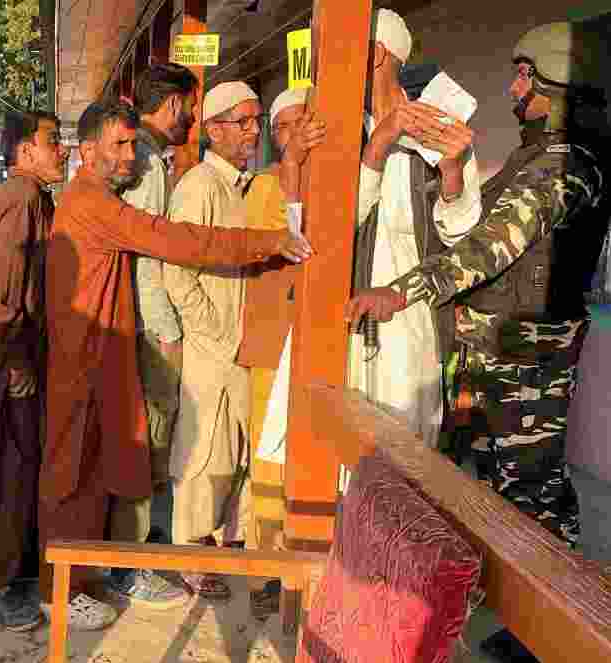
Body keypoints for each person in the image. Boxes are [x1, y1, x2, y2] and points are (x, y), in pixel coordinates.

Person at [345, 21, 609, 662]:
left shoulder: (568, 163)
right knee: (505, 494)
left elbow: (489, 248)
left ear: (555, 83)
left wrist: (403, 291)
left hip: (529, 361)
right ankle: (527, 627)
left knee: (535, 498)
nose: (512, 85)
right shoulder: (535, 153)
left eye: (524, 74)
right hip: (501, 356)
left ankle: (558, 634)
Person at [41, 100, 313, 630]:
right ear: (85, 151)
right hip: (82, 360)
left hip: (103, 356)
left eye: (130, 144)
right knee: (72, 471)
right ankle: (62, 589)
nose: (131, 157)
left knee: (100, 470)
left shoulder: (97, 196)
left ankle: (92, 575)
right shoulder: (91, 200)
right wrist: (269, 242)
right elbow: (179, 240)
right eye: (119, 146)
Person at [164, 82, 326, 603]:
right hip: (214, 346)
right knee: (204, 454)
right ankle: (190, 557)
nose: (254, 131)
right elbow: (178, 273)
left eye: (258, 121)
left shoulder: (247, 184)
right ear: (214, 129)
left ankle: (223, 545)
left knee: (235, 455)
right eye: (245, 122)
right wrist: (212, 331)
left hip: (241, 344)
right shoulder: (199, 186)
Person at [346, 8, 480, 448]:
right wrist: (379, 141)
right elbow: (337, 224)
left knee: (405, 449)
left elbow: (460, 234)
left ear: (377, 53)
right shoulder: (343, 132)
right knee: (346, 450)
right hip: (345, 316)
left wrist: (453, 173)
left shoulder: (439, 125)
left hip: (412, 318)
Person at [109, 62, 197, 608]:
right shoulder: (144, 161)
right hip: (146, 330)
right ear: (170, 107)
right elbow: (146, 260)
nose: (192, 118)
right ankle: (127, 563)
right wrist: (166, 333)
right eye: (189, 107)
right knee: (145, 444)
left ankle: (140, 547)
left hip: (137, 326)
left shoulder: (140, 155)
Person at [0, 110, 68, 631]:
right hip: (16, 357)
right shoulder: (21, 197)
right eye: (52, 142)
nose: (62, 151)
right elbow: (2, 285)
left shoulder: (36, 197)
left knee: (27, 467)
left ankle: (19, 570)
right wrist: (11, 358)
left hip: (28, 354)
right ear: (23, 151)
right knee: (11, 474)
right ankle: (0, 582)